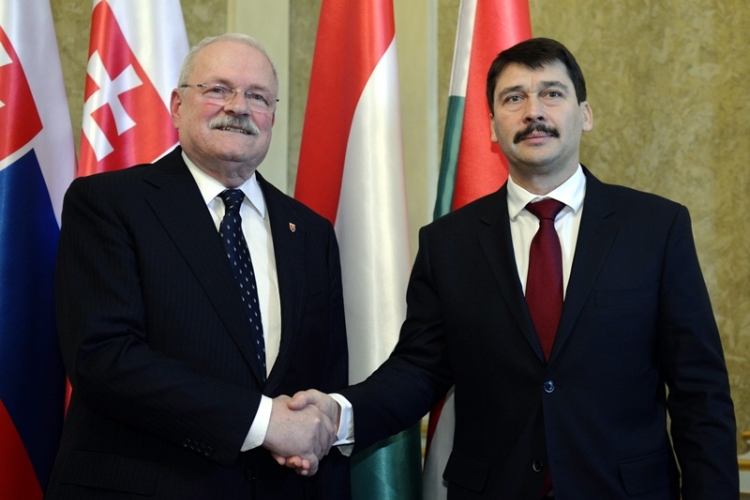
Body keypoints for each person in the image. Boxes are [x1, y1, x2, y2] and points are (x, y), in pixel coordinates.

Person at [286, 38, 739, 499]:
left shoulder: (655, 229)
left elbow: (699, 390)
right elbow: (419, 370)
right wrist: (340, 413)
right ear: (491, 126)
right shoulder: (448, 243)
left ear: (585, 114)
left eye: (552, 94)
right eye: (513, 98)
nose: (533, 112)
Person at [45, 33, 350, 500]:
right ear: (177, 106)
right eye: (217, 89)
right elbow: (104, 358)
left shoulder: (310, 231)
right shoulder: (108, 204)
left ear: (272, 116)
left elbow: (324, 379)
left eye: (258, 96)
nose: (238, 106)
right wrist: (262, 422)